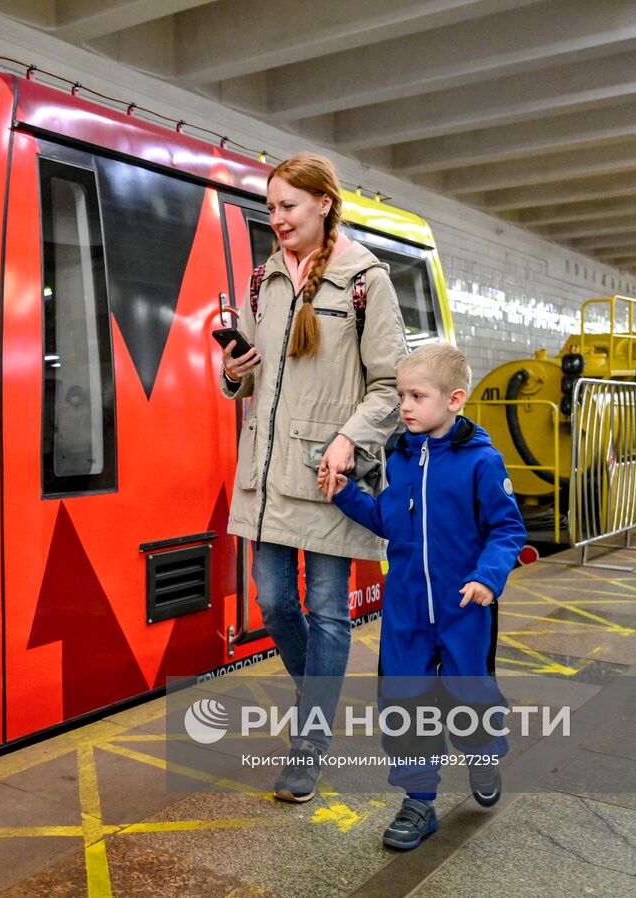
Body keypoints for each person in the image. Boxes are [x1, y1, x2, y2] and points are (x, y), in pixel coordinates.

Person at [219, 152, 408, 803]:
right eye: (270, 208)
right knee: (272, 597)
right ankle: (318, 704)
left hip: (328, 472)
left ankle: (309, 744)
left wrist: (350, 440)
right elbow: (247, 373)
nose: (276, 220)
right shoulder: (261, 282)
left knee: (329, 613)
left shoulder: (365, 281)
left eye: (288, 207)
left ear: (323, 204)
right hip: (268, 472)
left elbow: (391, 383)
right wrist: (234, 371)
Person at [322, 343, 526, 851]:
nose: (405, 406)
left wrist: (488, 577)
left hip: (465, 608)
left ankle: (482, 751)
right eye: (401, 395)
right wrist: (348, 492)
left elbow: (507, 529)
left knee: (469, 695)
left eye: (417, 396)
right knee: (405, 701)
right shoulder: (401, 458)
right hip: (406, 610)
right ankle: (418, 800)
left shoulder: (482, 460)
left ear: (454, 399)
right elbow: (388, 522)